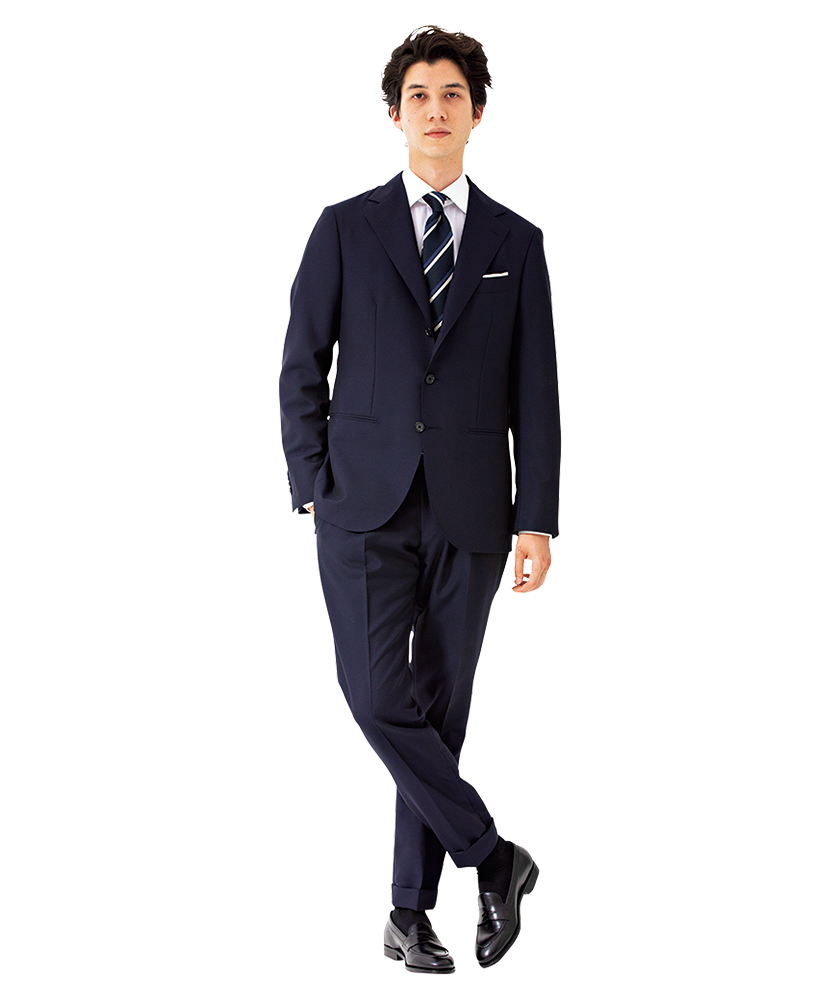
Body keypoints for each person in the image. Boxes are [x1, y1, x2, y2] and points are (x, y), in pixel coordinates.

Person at [278, 25, 560, 972]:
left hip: (473, 510)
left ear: (477, 113)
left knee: (439, 712)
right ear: (394, 113)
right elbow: (301, 364)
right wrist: (310, 483)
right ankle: (493, 854)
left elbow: (536, 391)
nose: (435, 111)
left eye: (452, 96)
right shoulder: (344, 228)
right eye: (419, 96)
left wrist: (536, 516)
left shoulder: (517, 242)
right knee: (374, 696)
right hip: (360, 502)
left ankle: (409, 913)